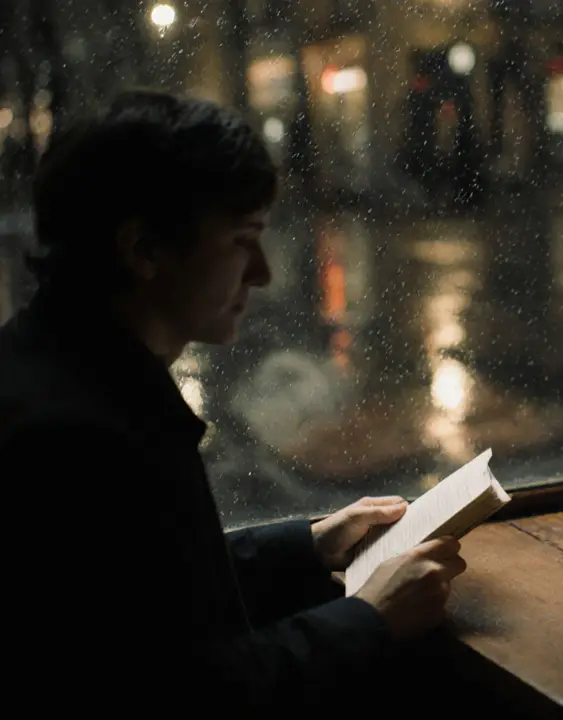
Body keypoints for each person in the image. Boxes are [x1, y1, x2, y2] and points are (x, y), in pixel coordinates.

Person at [0, 90, 466, 711]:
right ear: (143, 249)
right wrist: (371, 617)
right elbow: (186, 689)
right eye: (243, 239)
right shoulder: (76, 435)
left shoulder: (61, 364)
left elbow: (142, 588)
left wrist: (310, 542)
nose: (263, 272)